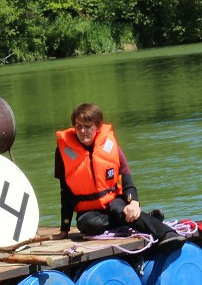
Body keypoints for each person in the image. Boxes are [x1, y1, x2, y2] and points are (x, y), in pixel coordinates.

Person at [54, 102, 179, 244]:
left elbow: (126, 178)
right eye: (79, 126)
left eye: (88, 126)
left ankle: (167, 233)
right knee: (86, 225)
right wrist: (64, 229)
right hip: (89, 211)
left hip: (114, 201)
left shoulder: (110, 146)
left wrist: (134, 203)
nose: (82, 131)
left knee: (124, 212)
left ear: (98, 127)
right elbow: (65, 192)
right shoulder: (63, 152)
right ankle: (141, 219)